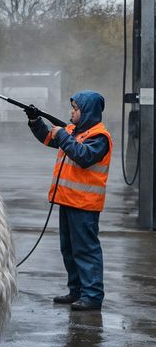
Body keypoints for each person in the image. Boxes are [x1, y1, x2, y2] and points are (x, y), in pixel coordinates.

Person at [26, 91, 110, 311]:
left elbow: (83, 157)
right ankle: (76, 291)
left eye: (75, 109)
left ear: (88, 112)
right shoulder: (72, 131)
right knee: (69, 249)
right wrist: (35, 121)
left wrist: (62, 135)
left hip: (84, 204)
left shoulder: (99, 137)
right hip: (68, 201)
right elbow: (48, 137)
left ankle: (92, 296)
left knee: (86, 250)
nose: (71, 112)